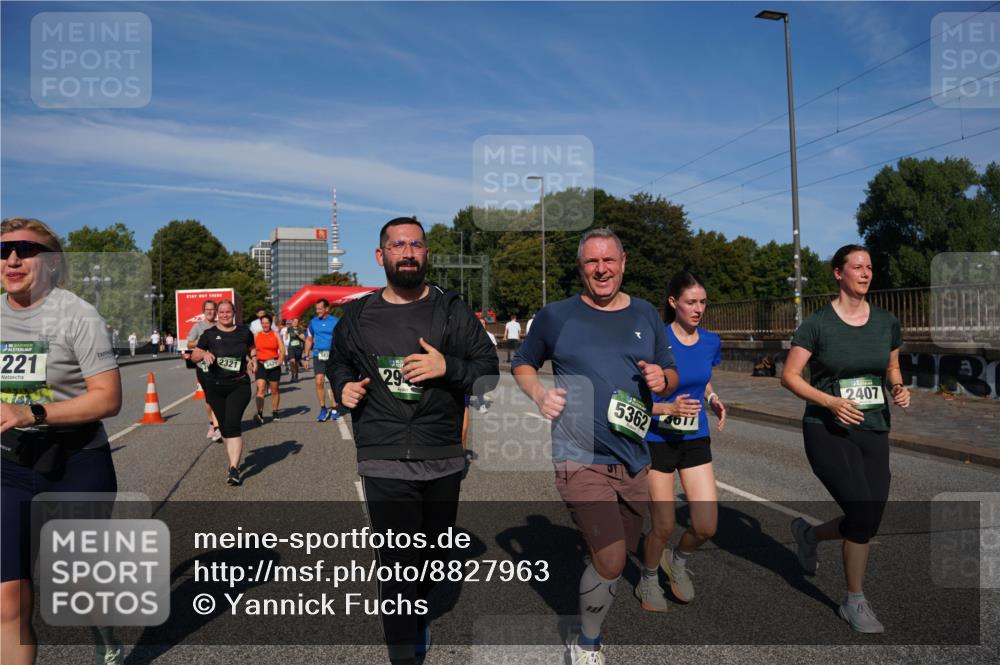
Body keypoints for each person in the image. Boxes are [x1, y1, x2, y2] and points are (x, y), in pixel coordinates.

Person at [331, 217, 498, 665]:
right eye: (398, 245)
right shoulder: (359, 314)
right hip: (382, 455)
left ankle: (414, 607)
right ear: (380, 255)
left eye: (416, 245)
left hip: (442, 454)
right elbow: (338, 363)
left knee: (431, 555)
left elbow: (488, 372)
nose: (407, 252)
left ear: (426, 254)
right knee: (399, 563)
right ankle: (404, 651)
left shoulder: (450, 310)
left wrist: (450, 369)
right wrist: (342, 387)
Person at [512, 228, 677, 665]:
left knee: (615, 558)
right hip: (578, 455)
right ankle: (587, 642)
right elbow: (523, 361)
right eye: (591, 262)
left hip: (634, 459)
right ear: (581, 268)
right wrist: (540, 395)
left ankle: (593, 596)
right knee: (609, 558)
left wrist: (664, 380)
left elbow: (669, 369)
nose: (601, 269)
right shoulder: (555, 316)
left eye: (608, 261)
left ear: (623, 263)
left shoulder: (645, 314)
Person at [1, 218, 124, 665]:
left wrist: (30, 412)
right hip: (9, 466)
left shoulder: (77, 314)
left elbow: (108, 398)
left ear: (52, 264)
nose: (12, 259)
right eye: (3, 250)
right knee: (7, 599)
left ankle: (105, 632)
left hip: (76, 461)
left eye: (25, 250)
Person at [781, 244, 910, 634]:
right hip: (827, 429)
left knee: (867, 519)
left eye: (870, 266)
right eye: (858, 266)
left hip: (873, 428)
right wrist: (831, 402)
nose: (866, 272)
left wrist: (899, 387)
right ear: (839, 273)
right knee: (863, 513)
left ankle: (808, 533)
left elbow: (891, 366)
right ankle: (854, 600)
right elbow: (790, 376)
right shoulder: (818, 324)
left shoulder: (886, 321)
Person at [639, 271, 726, 610]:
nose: (698, 308)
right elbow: (636, 397)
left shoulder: (710, 341)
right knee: (663, 524)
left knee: (705, 525)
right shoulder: (654, 340)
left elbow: (701, 378)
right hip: (657, 437)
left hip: (695, 437)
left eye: (703, 302)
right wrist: (667, 406)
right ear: (673, 302)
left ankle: (677, 561)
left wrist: (713, 397)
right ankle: (647, 578)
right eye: (691, 302)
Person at [192, 300, 257, 486]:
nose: (224, 315)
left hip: (239, 385)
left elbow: (251, 348)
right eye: (221, 312)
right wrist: (203, 355)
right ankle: (233, 461)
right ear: (217, 314)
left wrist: (253, 360)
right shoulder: (209, 334)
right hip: (215, 387)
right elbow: (194, 355)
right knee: (225, 429)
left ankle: (234, 468)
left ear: (234, 312)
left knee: (232, 424)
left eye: (228, 312)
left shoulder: (244, 332)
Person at [186, 300, 222, 442]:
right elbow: (189, 343)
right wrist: (202, 340)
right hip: (203, 367)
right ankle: (213, 424)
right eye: (207, 309)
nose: (210, 312)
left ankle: (219, 425)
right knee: (209, 398)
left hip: (219, 366)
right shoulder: (198, 326)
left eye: (213, 309)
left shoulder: (220, 326)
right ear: (203, 311)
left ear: (216, 311)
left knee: (219, 395)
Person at [304, 298, 339, 422]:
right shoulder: (313, 322)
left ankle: (334, 407)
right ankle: (323, 408)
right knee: (319, 381)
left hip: (333, 355)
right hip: (318, 354)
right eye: (316, 309)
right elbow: (309, 339)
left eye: (319, 308)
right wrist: (306, 356)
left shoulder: (335, 321)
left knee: (334, 381)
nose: (317, 311)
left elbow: (341, 338)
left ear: (327, 309)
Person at [253, 314, 286, 424]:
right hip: (261, 364)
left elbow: (282, 348)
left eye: (267, 323)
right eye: (263, 323)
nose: (265, 325)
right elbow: (252, 349)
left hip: (273, 364)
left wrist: (281, 359)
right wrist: (251, 361)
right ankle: (260, 413)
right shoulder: (257, 335)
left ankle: (275, 411)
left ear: (270, 324)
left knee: (274, 389)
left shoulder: (275, 334)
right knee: (261, 389)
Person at [286, 317, 305, 382]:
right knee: (292, 361)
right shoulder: (289, 329)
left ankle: (296, 374)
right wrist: (285, 337)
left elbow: (303, 338)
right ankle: (292, 375)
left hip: (298, 348)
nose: (295, 323)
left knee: (296, 362)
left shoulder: (300, 329)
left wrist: (298, 334)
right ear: (292, 322)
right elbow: (286, 335)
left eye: (297, 322)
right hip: (291, 347)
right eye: (294, 322)